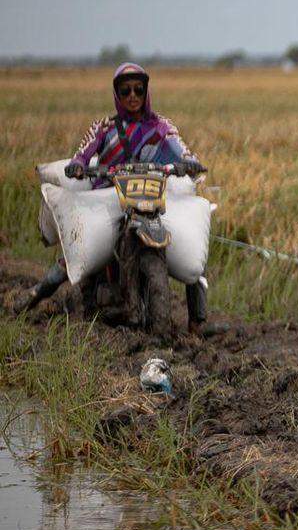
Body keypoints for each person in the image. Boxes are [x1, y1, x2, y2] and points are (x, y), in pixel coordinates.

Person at [14, 62, 210, 336]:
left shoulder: (161, 126)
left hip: (149, 195)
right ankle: (35, 294)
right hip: (110, 198)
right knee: (73, 256)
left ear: (146, 91)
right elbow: (83, 153)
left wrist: (189, 161)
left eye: (138, 89)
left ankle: (197, 323)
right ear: (117, 94)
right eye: (125, 90)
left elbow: (182, 149)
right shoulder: (104, 127)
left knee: (193, 253)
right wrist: (78, 165)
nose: (132, 96)